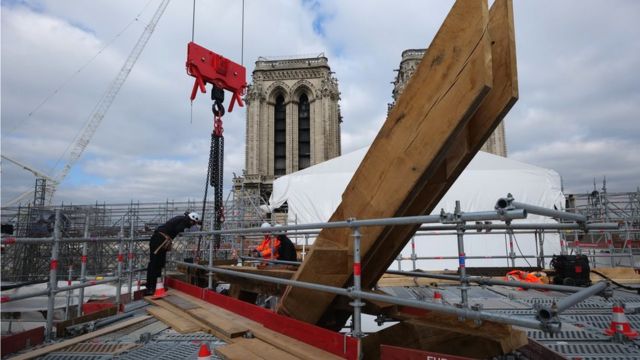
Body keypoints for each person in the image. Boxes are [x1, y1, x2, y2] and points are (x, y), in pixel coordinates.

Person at [145, 211, 201, 296]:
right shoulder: (184, 221)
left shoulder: (182, 219)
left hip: (160, 240)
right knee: (154, 264)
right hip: (159, 241)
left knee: (158, 264)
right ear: (192, 220)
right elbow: (178, 229)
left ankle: (156, 286)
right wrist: (184, 230)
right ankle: (150, 288)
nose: (192, 226)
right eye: (193, 224)